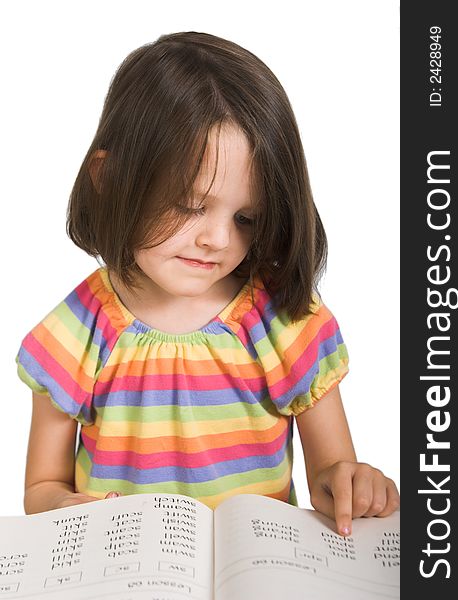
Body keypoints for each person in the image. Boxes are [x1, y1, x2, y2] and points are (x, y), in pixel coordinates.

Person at [16, 31, 399, 536]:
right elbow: (41, 487)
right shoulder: (76, 333)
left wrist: (351, 482)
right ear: (108, 180)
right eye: (191, 206)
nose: (218, 239)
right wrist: (64, 508)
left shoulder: (281, 318)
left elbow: (332, 473)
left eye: (245, 217)